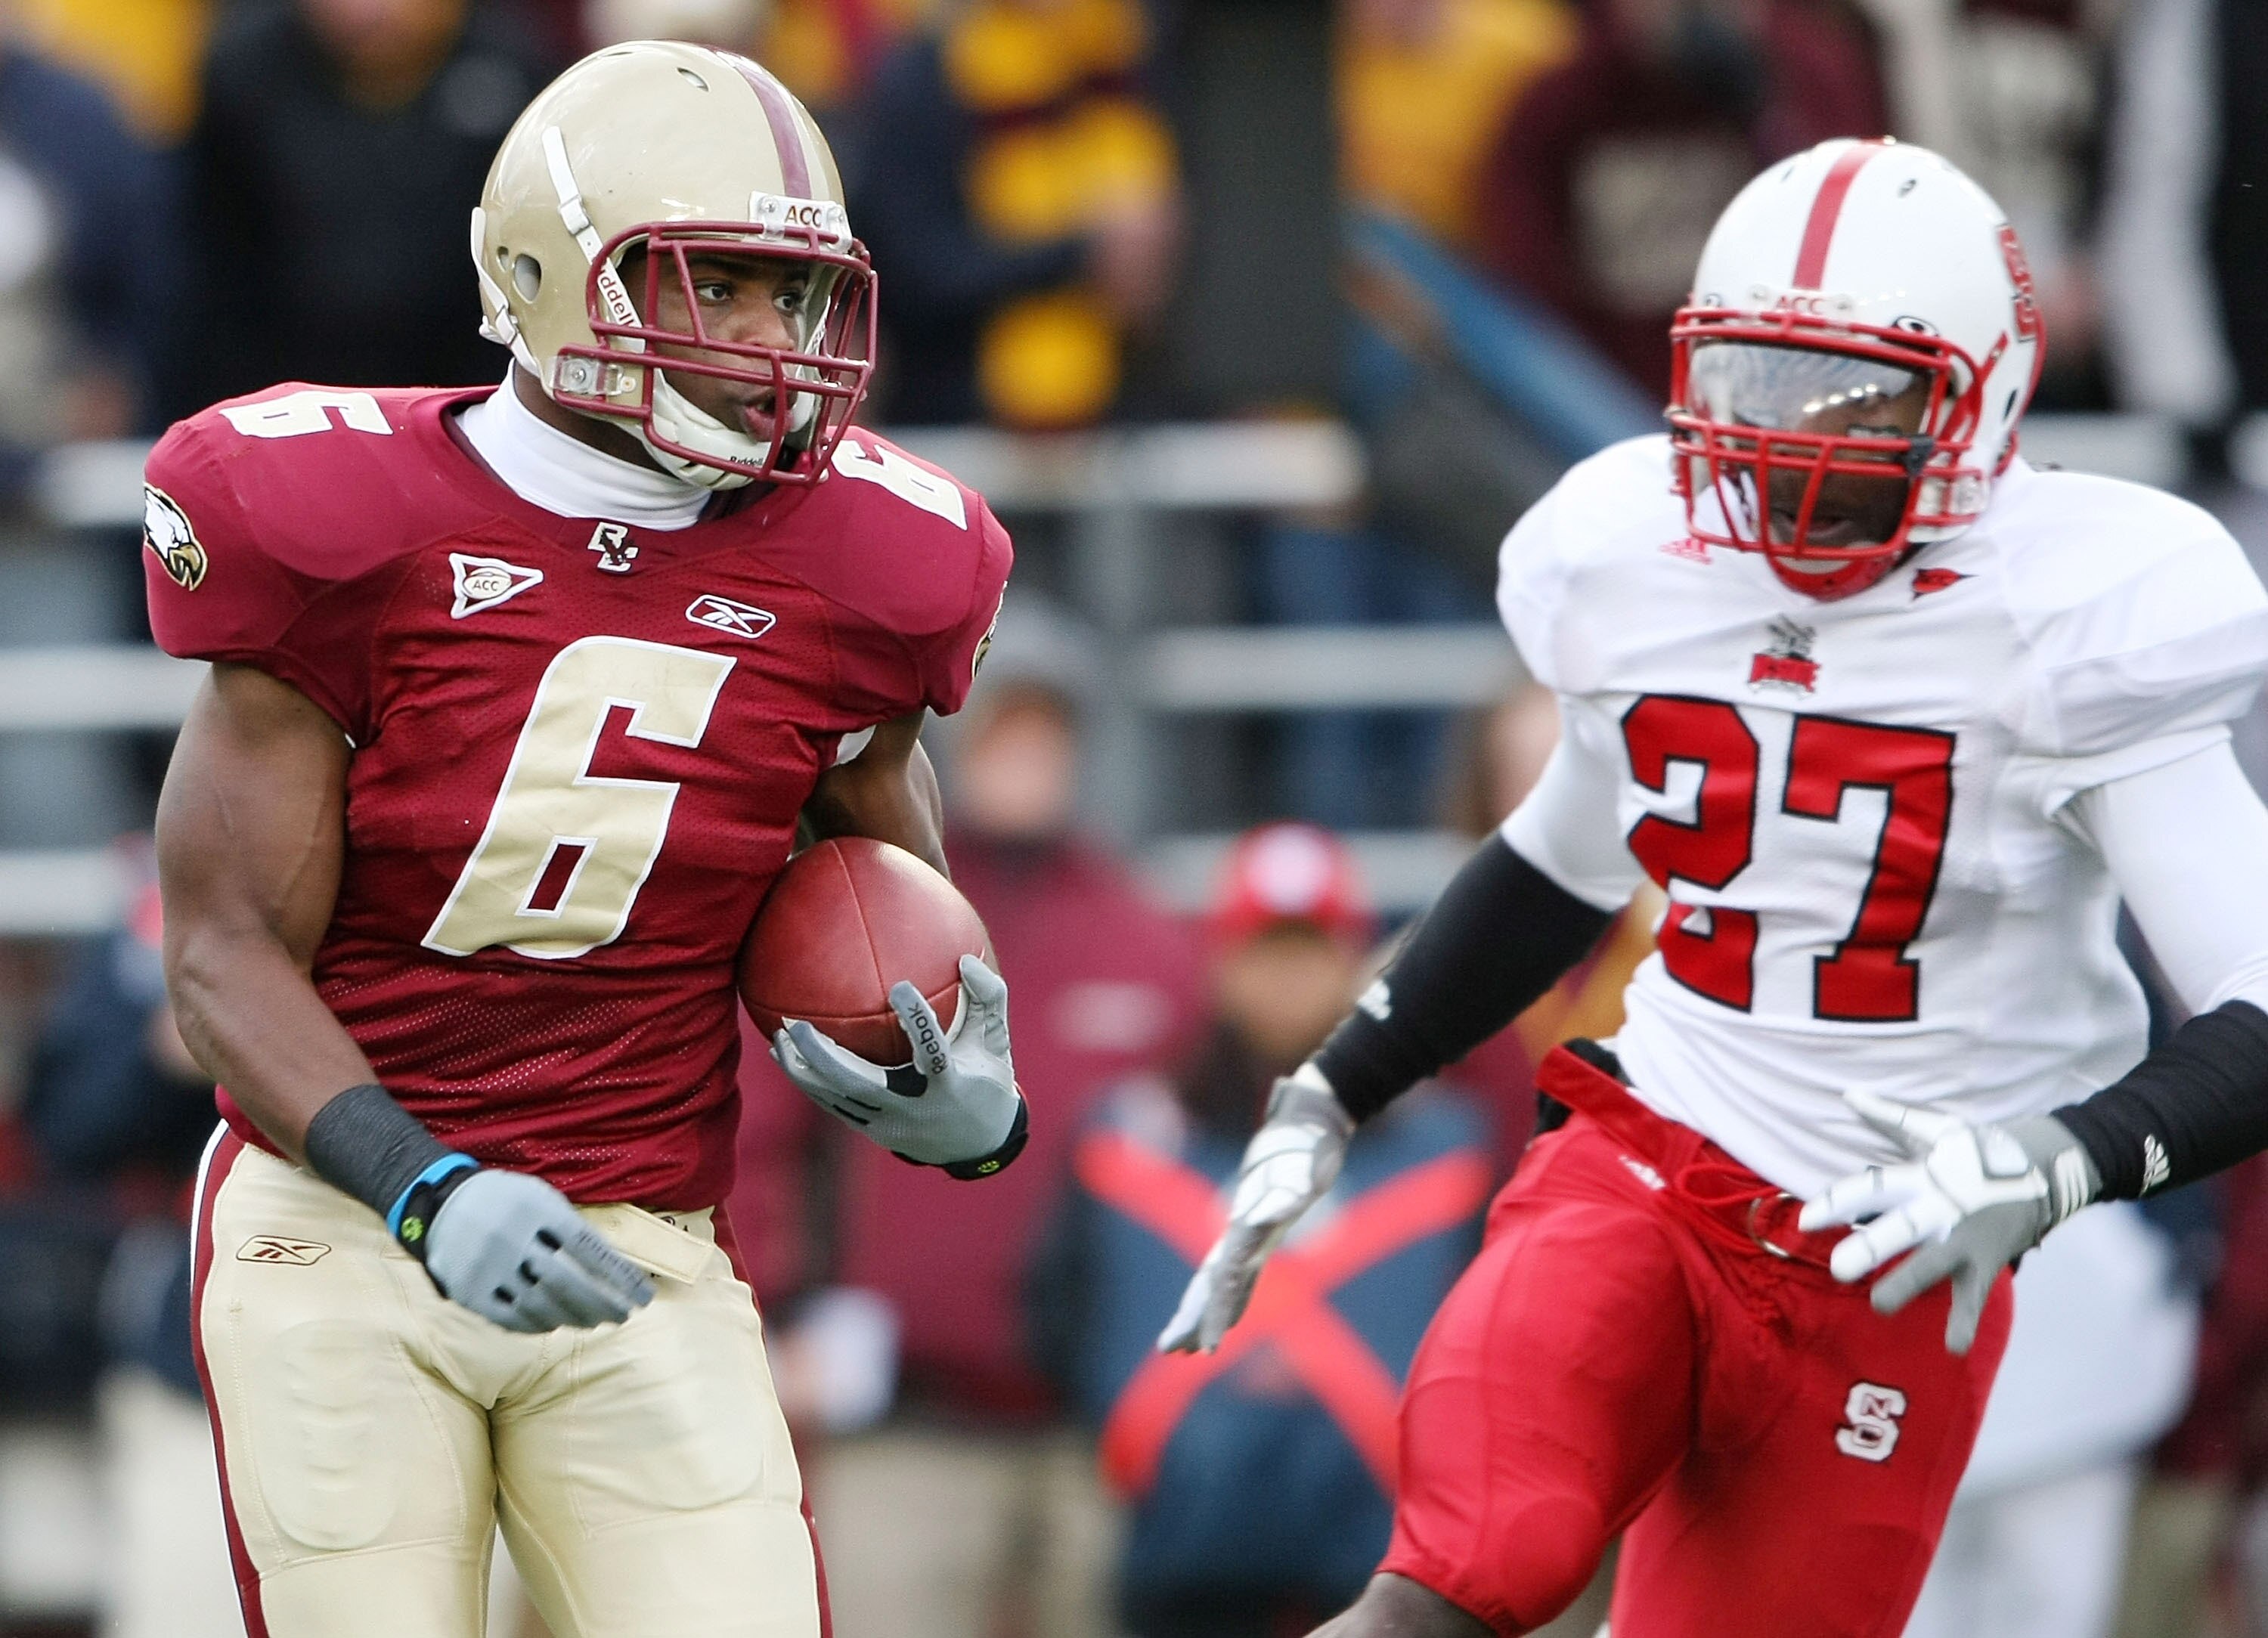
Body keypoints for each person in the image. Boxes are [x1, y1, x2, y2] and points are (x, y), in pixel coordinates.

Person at [1157, 136, 2268, 1637]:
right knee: (1469, 1568)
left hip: (1899, 1252)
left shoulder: (2081, 608)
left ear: (1986, 396)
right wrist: (1333, 1087)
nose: (1798, 443)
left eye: (1859, 399)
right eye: (1762, 386)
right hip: (1654, 1164)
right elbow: (1558, 864)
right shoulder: (1633, 555)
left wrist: (2066, 1158)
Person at [141, 42, 1030, 1638]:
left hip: (640, 1239)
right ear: (550, 279)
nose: (779, 345)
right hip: (338, 1220)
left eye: (800, 296)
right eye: (725, 288)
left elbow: (875, 908)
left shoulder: (879, 560)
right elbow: (218, 954)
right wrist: (422, 1189)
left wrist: (952, 1079)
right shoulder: (331, 517)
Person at [748, 612, 1206, 1638]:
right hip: (906, 1416)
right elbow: (767, 1125)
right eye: (1005, 726)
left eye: (1050, 729)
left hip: (1092, 1424)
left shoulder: (1144, 936)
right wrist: (774, 1316)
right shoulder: (861, 913)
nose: (1028, 753)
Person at [1034, 823, 1492, 1638]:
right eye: (1263, 952)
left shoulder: (1444, 1148)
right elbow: (1058, 1311)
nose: (1285, 980)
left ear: (1350, 961)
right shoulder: (1131, 1139)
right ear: (1220, 961)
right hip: (1178, 1566)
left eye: (1309, 952)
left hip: (1375, 1569)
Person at [165, 0, 551, 417]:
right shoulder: (243, 72)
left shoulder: (519, 73)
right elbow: (205, 266)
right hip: (279, 396)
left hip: (467, 400)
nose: (366, 11)